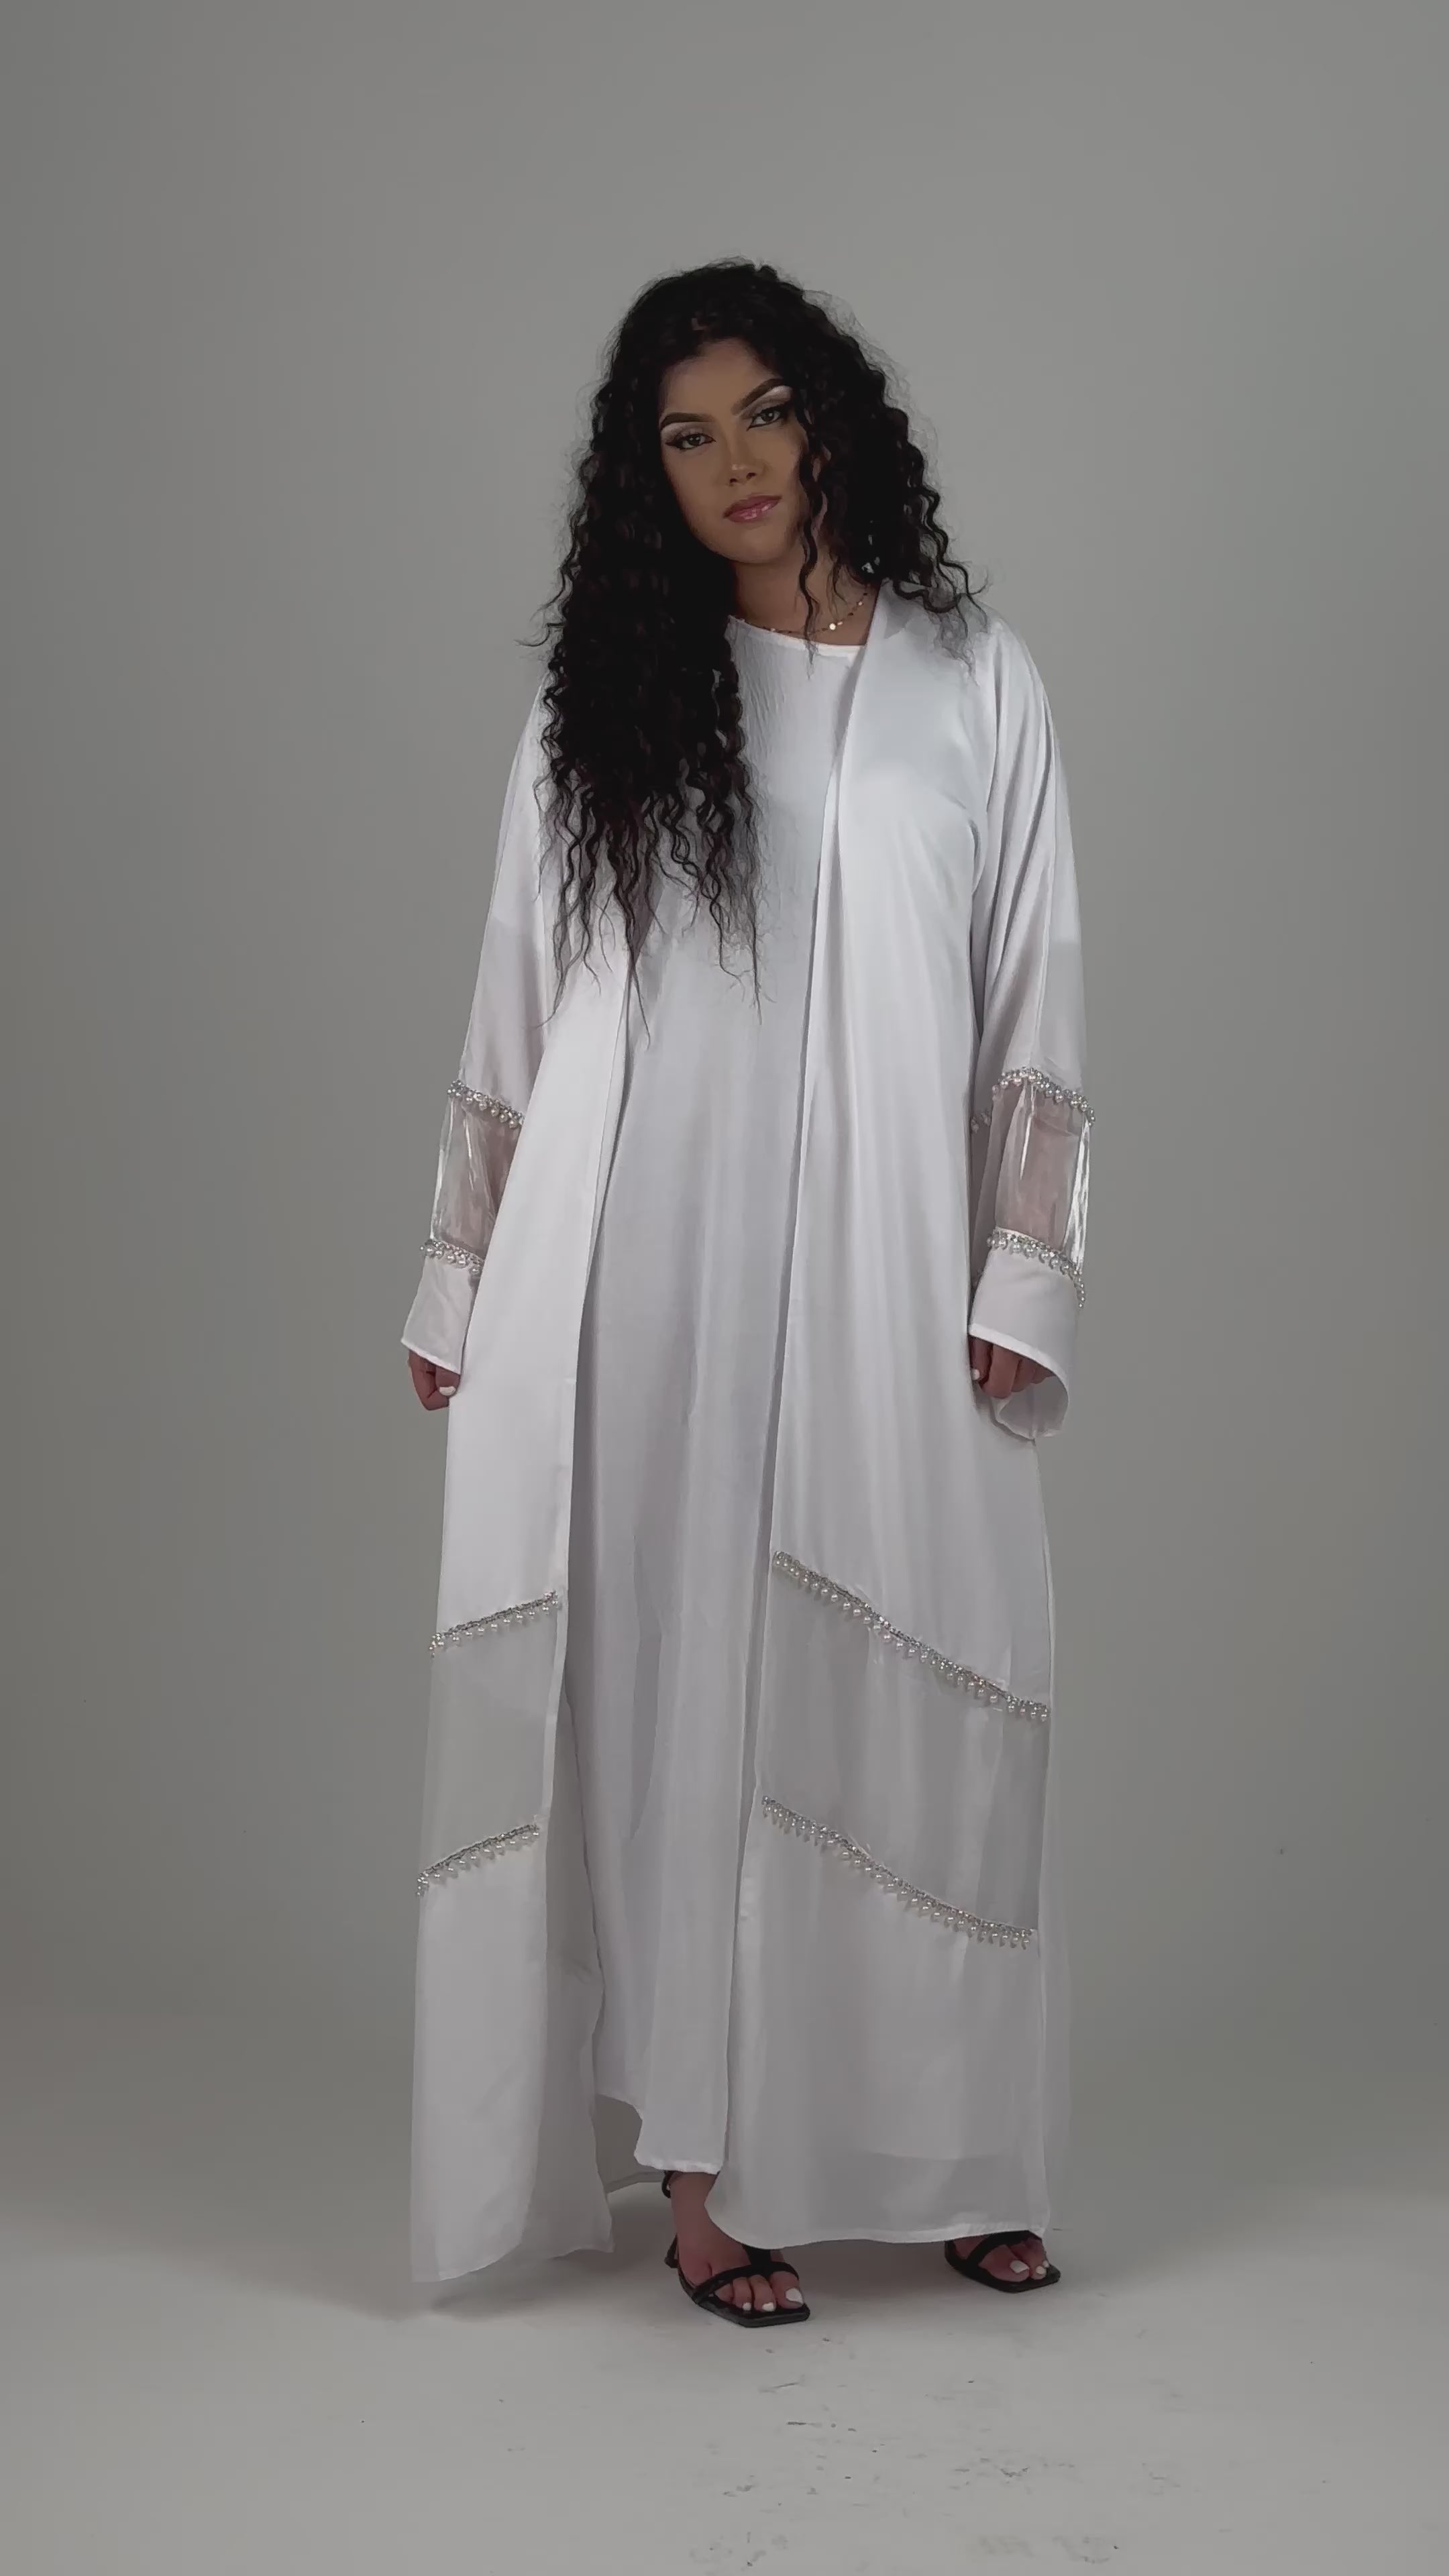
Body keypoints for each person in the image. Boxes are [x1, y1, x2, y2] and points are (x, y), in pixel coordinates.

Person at [400, 259, 1089, 2325]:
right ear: (651, 478)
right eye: (686, 438)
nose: (738, 466)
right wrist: (461, 1276)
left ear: (833, 414)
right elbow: (519, 988)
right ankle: (705, 2181)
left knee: (941, 1669)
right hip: (663, 1265)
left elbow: (1037, 990)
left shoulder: (979, 684)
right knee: (695, 1695)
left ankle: (962, 2151)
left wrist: (1024, 1267)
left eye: (766, 413)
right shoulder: (611, 702)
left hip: (897, 1258)